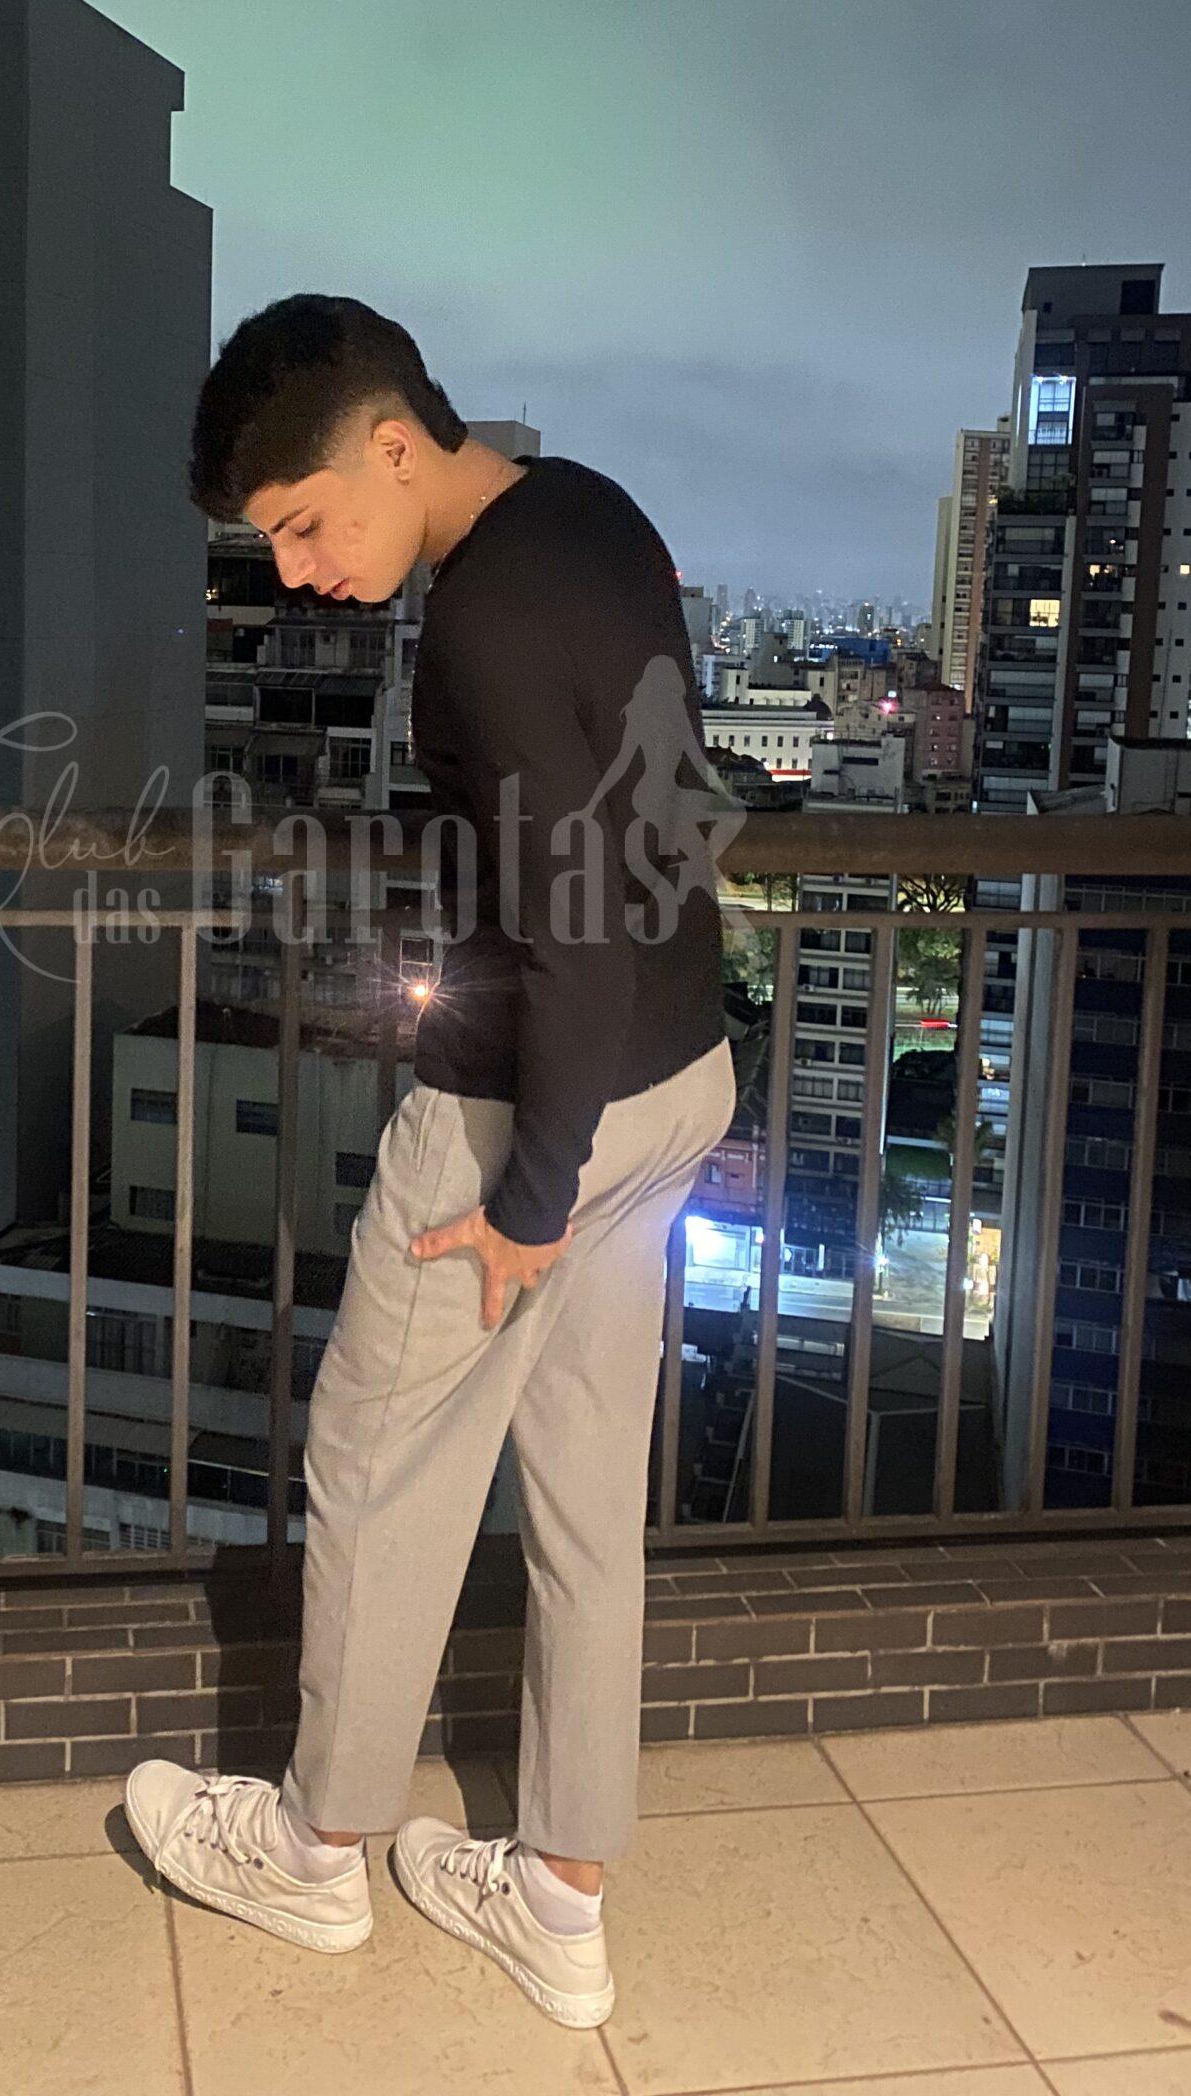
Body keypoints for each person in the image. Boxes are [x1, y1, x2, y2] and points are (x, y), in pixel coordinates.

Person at [123, 295, 735, 2032]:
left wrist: (529, 1199)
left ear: (394, 445)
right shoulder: (593, 511)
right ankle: (560, 1899)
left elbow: (567, 930)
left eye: (306, 523)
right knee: (586, 1501)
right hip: (678, 1081)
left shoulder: (478, 618)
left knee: (378, 1464)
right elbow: (660, 810)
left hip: (526, 1119)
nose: (299, 571)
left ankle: (314, 1853)